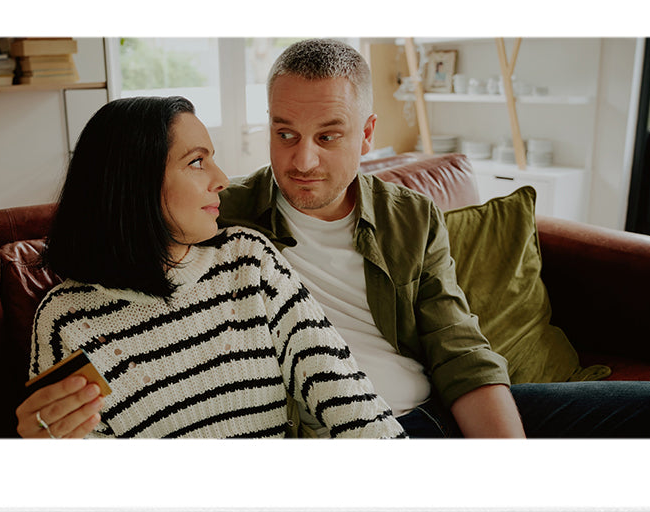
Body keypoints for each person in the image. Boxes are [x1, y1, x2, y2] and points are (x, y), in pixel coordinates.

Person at [19, 41, 650, 440]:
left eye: (328, 137)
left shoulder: (407, 217)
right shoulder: (224, 221)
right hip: (349, 433)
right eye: (284, 133)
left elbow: (458, 346)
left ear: (366, 134)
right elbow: (126, 242)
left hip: (434, 412)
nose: (301, 160)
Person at [22, 94, 405, 439]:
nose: (221, 180)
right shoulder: (66, 321)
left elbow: (349, 398)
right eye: (197, 162)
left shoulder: (249, 261)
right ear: (134, 181)